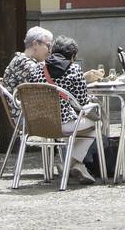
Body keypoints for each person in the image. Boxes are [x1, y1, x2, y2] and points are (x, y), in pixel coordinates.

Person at [40, 35, 101, 186]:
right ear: (73, 56)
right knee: (94, 125)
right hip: (63, 123)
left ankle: (75, 165)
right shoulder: (73, 69)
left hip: (37, 123)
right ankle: (71, 163)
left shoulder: (37, 67)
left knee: (82, 126)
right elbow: (82, 103)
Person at [3, 26, 53, 93]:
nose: (50, 51)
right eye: (48, 46)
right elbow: (47, 89)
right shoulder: (25, 64)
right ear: (35, 44)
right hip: (23, 103)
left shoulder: (20, 59)